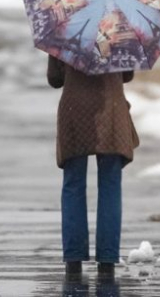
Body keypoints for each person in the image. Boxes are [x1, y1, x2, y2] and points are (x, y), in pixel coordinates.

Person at [47, 55, 139, 281]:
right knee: (110, 186)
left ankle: (73, 260)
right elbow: (127, 75)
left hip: (73, 111)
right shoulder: (119, 26)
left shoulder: (64, 27)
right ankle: (107, 261)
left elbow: (55, 78)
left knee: (73, 186)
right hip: (111, 108)